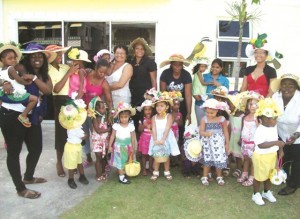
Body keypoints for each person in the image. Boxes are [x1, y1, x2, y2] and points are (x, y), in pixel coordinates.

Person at [0, 42, 53, 199]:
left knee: (36, 148)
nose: (37, 58)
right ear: (27, 58)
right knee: (14, 153)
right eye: (33, 55)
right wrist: (4, 82)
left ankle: (28, 177)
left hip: (32, 117)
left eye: (40, 55)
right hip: (12, 115)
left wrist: (35, 78)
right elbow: (2, 74)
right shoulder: (19, 68)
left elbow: (47, 90)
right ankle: (20, 188)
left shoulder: (44, 75)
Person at [45, 44, 74, 177]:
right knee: (61, 132)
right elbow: (56, 89)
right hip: (59, 100)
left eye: (61, 53)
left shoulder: (65, 66)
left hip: (71, 99)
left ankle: (72, 162)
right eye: (57, 54)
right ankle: (58, 162)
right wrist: (69, 73)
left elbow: (78, 72)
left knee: (73, 131)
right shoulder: (47, 71)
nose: (60, 56)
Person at [251, 98, 284, 206]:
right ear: (260, 119)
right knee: (259, 177)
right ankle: (255, 194)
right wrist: (276, 143)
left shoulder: (273, 127)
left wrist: (280, 151)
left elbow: (277, 142)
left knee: (270, 175)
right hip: (261, 156)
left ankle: (266, 192)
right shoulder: (260, 130)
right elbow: (260, 144)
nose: (272, 121)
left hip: (272, 155)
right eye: (268, 119)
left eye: (274, 118)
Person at [271, 74, 300, 195]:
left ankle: (293, 185)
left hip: (298, 135)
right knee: (283, 157)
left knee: (297, 160)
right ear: (280, 86)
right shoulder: (275, 97)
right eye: (284, 84)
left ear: (296, 88)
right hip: (281, 133)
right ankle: (283, 177)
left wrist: (296, 135)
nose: (287, 88)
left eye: (291, 85)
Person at [81, 59, 113, 167]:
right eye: (100, 72)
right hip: (81, 111)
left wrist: (110, 114)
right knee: (83, 135)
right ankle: (88, 157)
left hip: (96, 115)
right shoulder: (87, 74)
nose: (102, 74)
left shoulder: (104, 83)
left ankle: (100, 160)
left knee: (96, 136)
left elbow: (109, 100)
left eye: (105, 73)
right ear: (95, 68)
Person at [0, 42, 38, 127]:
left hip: (4, 95)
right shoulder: (11, 69)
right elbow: (19, 80)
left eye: (14, 58)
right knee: (34, 99)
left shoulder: (1, 70)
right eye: (10, 58)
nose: (13, 60)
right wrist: (27, 82)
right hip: (14, 94)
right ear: (2, 59)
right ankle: (23, 115)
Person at [160, 54, 192, 146]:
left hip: (181, 105)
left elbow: (188, 94)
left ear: (182, 65)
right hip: (168, 104)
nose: (177, 67)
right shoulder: (165, 74)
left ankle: (179, 150)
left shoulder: (186, 75)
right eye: (175, 64)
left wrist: (189, 113)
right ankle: (166, 148)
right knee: (167, 126)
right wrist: (163, 108)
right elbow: (162, 93)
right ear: (171, 64)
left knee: (180, 127)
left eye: (179, 65)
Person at [148, 91, 180, 181]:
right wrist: (155, 139)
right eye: (158, 106)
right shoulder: (154, 117)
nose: (159, 108)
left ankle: (167, 171)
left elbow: (167, 128)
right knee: (156, 154)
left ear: (166, 107)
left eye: (162, 106)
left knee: (166, 154)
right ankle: (156, 171)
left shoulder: (169, 116)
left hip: (166, 137)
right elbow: (153, 128)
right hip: (156, 137)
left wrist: (163, 139)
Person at [59, 99, 89, 189]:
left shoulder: (73, 124)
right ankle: (71, 179)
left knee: (79, 162)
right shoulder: (74, 127)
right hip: (72, 147)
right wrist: (87, 134)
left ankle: (82, 176)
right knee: (72, 165)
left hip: (77, 146)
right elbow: (83, 136)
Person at [199, 98, 230, 186]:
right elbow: (201, 131)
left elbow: (226, 132)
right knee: (207, 159)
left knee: (218, 159)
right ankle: (204, 176)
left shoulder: (222, 119)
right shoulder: (204, 119)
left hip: (218, 143)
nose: (209, 114)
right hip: (207, 143)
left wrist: (227, 144)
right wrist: (206, 133)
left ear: (217, 111)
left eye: (211, 113)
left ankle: (219, 176)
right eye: (207, 112)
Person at [128, 37, 157, 129]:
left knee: (144, 119)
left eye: (142, 49)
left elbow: (153, 80)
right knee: (134, 118)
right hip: (133, 94)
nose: (139, 50)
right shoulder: (130, 62)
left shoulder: (150, 62)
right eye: (137, 48)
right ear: (134, 50)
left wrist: (153, 95)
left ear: (144, 50)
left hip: (145, 94)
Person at [108, 102, 136, 184]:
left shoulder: (131, 126)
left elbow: (133, 137)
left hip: (128, 145)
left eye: (126, 117)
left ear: (129, 117)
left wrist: (133, 147)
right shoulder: (116, 126)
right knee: (120, 161)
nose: (124, 119)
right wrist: (110, 146)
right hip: (118, 147)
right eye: (122, 117)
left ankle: (124, 172)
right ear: (119, 117)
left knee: (127, 160)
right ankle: (121, 178)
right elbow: (112, 136)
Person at [237, 92, 262, 186]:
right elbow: (242, 128)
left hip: (253, 143)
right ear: (247, 105)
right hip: (245, 142)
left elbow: (260, 130)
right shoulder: (244, 117)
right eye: (251, 104)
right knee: (246, 159)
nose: (253, 106)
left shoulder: (259, 118)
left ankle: (252, 177)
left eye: (256, 104)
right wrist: (240, 138)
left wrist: (258, 123)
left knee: (253, 161)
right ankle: (244, 174)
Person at [89, 97, 111, 182]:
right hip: (97, 140)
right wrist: (108, 130)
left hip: (105, 140)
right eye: (101, 108)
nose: (103, 109)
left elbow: (108, 124)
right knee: (98, 157)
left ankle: (103, 172)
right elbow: (98, 130)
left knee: (104, 157)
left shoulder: (105, 116)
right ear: (96, 109)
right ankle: (98, 174)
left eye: (104, 107)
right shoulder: (95, 118)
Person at [137, 99, 154, 176]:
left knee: (151, 155)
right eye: (146, 109)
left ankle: (150, 168)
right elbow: (139, 130)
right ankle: (144, 169)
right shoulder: (142, 120)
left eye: (149, 109)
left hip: (152, 139)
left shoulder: (154, 119)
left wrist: (151, 126)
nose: (148, 111)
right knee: (144, 155)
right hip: (144, 139)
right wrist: (144, 125)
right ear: (143, 111)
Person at [192, 57, 210, 126]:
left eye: (205, 67)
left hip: (198, 92)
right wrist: (211, 82)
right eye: (202, 66)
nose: (203, 68)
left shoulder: (199, 73)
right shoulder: (198, 73)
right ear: (198, 66)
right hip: (198, 92)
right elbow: (202, 83)